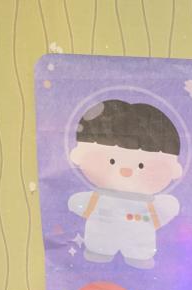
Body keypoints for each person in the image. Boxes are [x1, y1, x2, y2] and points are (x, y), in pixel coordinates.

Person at [68, 99, 183, 269]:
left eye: (141, 165)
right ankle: (100, 252)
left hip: (139, 243)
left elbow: (164, 211)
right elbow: (79, 203)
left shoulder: (148, 204)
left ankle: (138, 256)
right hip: (101, 239)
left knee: (137, 250)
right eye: (112, 161)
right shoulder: (98, 198)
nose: (126, 171)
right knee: (100, 247)